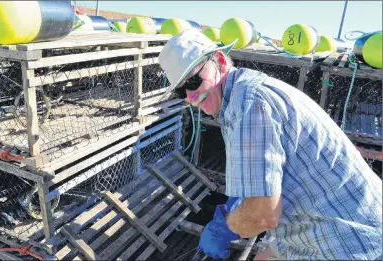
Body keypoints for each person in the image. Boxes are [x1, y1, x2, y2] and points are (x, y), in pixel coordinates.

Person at [158, 28, 382, 260]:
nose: (191, 96)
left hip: (349, 244)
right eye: (181, 90)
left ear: (221, 62)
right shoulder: (244, 92)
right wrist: (241, 206)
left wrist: (227, 225)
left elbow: (263, 216)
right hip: (334, 221)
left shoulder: (247, 106)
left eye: (194, 80)